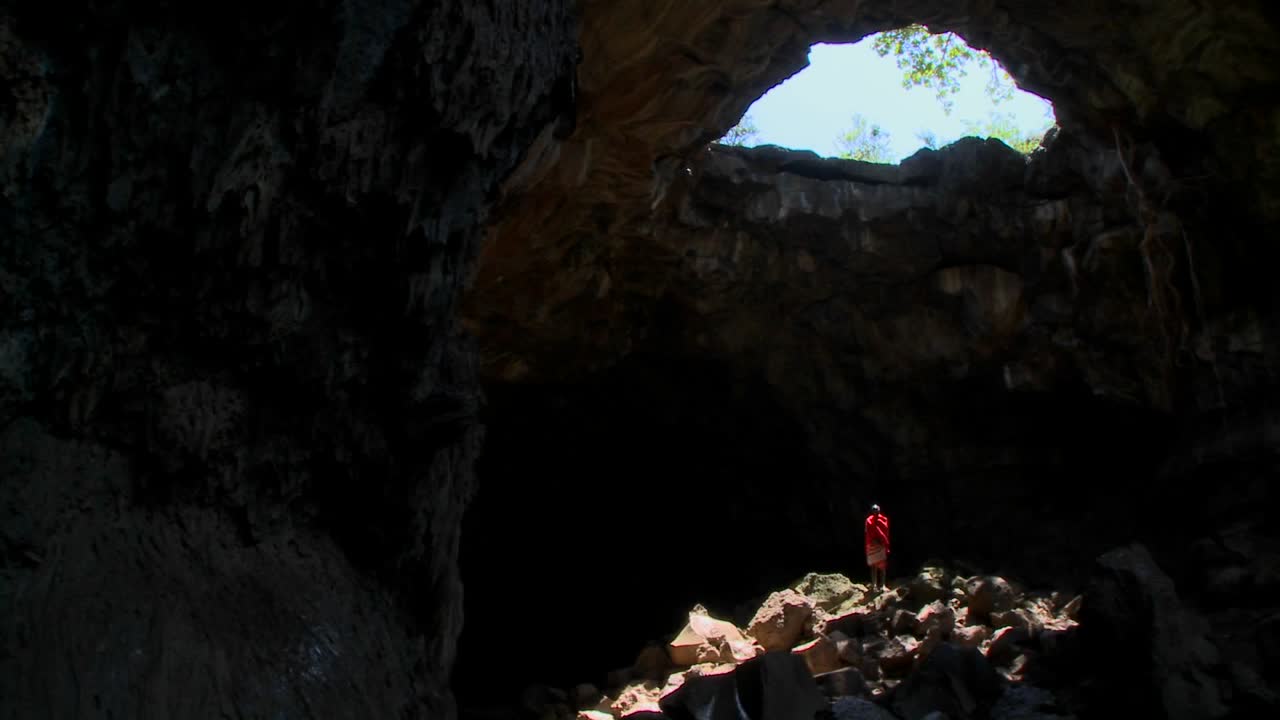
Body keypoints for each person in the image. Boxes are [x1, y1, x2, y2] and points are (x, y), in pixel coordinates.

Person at [864, 504, 890, 590]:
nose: (875, 511)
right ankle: (874, 585)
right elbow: (867, 532)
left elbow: (885, 531)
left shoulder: (884, 519)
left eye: (876, 509)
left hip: (881, 544)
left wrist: (882, 541)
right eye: (874, 509)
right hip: (872, 545)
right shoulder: (868, 520)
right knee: (873, 566)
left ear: (879, 510)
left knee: (882, 566)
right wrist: (873, 540)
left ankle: (883, 585)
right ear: (872, 511)